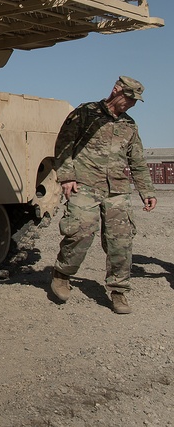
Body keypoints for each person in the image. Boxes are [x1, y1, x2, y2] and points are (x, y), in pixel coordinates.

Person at [49, 76, 158, 314]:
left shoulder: (129, 125)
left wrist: (146, 191)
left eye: (134, 101)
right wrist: (67, 177)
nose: (131, 104)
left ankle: (119, 292)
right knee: (80, 230)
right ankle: (62, 274)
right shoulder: (85, 113)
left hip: (117, 189)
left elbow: (137, 161)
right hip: (85, 184)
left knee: (121, 240)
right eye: (129, 98)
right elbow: (64, 145)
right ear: (116, 90)